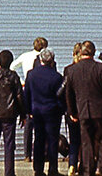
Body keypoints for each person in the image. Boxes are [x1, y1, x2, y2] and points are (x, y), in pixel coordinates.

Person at [64, 40, 102, 176]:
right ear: (93, 52)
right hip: (100, 110)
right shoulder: (100, 67)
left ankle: (88, 170)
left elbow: (69, 94)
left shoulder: (72, 70)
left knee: (86, 142)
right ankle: (101, 168)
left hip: (82, 111)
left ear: (81, 53)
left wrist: (72, 112)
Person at [24, 48, 64, 176]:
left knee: (39, 139)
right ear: (52, 60)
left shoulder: (31, 74)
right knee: (52, 140)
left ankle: (38, 169)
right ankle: (53, 169)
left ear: (40, 59)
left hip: (37, 111)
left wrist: (28, 110)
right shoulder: (57, 76)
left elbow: (27, 94)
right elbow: (60, 97)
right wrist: (61, 110)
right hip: (52, 111)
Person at [13, 37, 48, 162]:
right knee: (43, 124)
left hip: (27, 89)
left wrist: (21, 82)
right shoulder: (45, 57)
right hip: (42, 91)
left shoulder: (25, 56)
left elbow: (12, 67)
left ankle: (27, 154)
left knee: (28, 125)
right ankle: (43, 153)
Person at [62, 43, 82, 176]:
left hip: (71, 110)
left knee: (74, 139)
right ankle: (83, 164)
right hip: (85, 110)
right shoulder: (88, 68)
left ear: (73, 54)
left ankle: (72, 165)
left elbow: (66, 92)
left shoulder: (68, 70)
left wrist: (69, 111)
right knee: (85, 140)